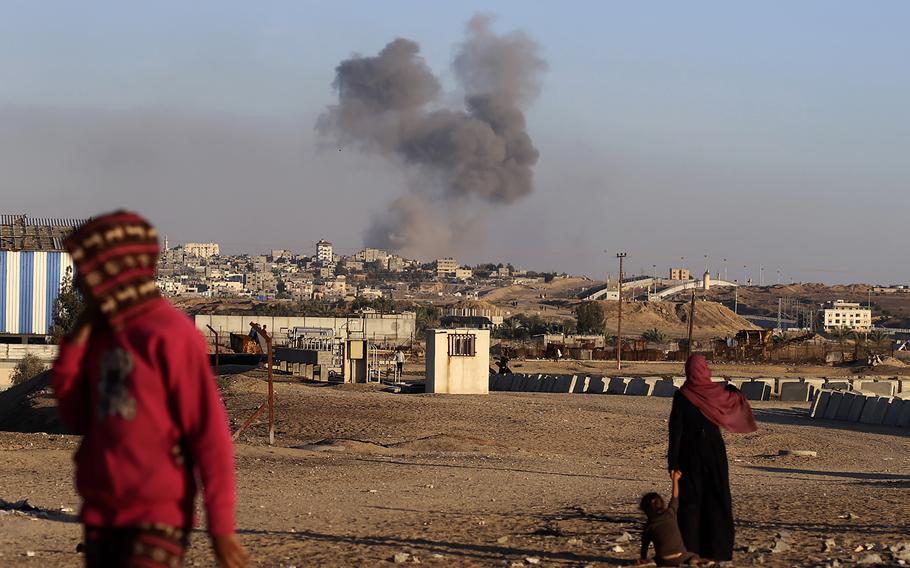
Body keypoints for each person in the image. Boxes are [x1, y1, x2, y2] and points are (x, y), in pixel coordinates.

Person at [51, 211, 248, 568]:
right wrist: (74, 347)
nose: (79, 283)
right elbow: (76, 416)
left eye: (86, 270)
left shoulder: (168, 333)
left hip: (156, 514)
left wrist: (221, 527)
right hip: (101, 512)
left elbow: (209, 434)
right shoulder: (102, 335)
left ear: (114, 271)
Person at [668, 355, 757, 562]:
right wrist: (734, 391)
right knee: (717, 498)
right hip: (714, 453)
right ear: (705, 370)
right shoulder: (717, 393)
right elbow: (736, 398)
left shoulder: (682, 396)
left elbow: (675, 432)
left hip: (688, 455)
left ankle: (691, 550)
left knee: (691, 503)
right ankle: (718, 551)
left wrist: (672, 463)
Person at [637, 471, 705, 567]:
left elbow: (644, 546)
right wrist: (675, 479)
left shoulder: (649, 526)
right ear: (661, 503)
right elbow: (675, 496)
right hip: (680, 556)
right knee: (694, 555)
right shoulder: (671, 513)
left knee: (654, 558)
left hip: (662, 560)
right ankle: (694, 561)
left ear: (644, 509)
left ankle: (651, 562)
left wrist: (643, 559)